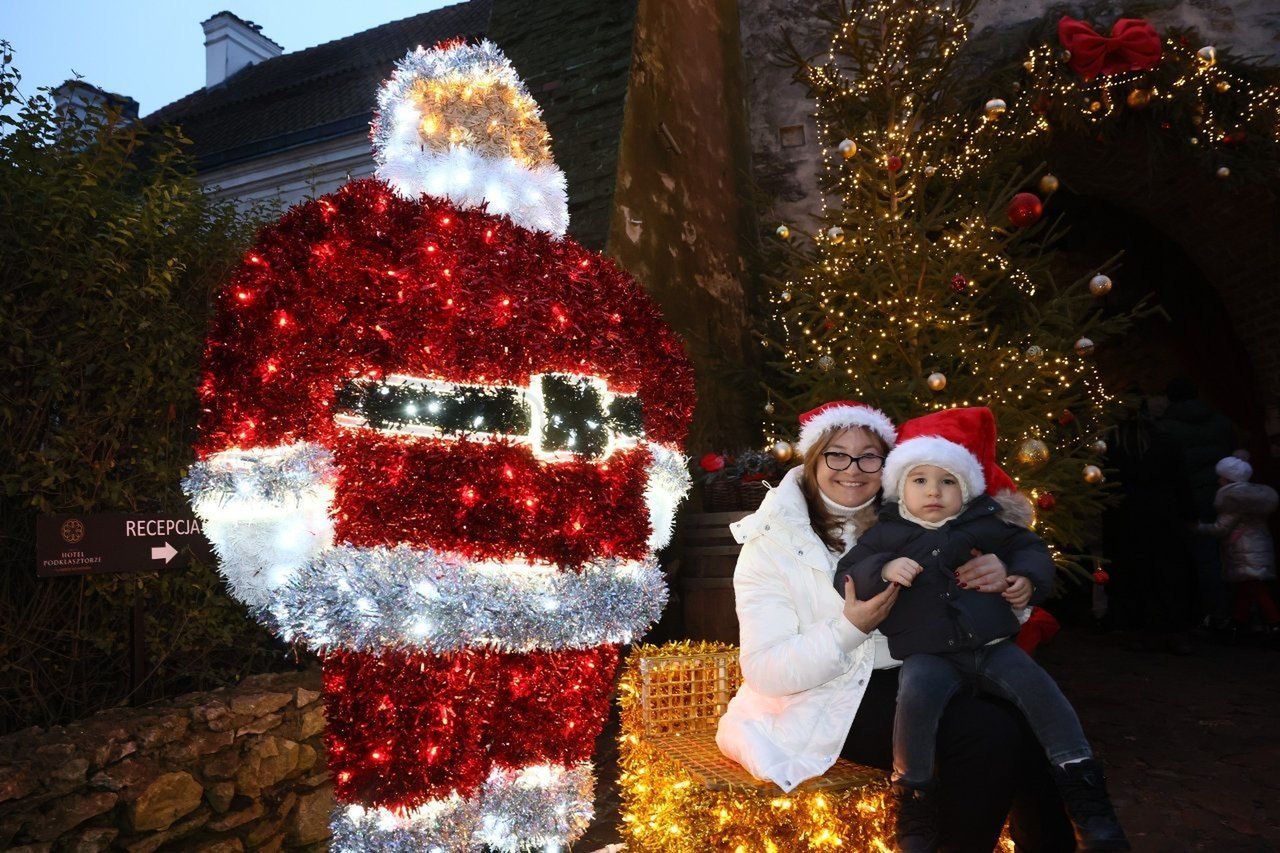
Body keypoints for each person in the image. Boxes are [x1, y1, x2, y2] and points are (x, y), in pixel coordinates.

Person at [716, 401, 1073, 852]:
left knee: (1028, 714)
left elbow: (981, 613)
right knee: (987, 732)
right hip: (823, 698)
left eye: (869, 456)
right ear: (813, 460)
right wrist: (850, 627)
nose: (853, 469)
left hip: (923, 671)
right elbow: (766, 671)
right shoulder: (771, 544)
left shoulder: (924, 519)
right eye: (837, 454)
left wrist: (1001, 582)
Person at [838, 407, 1127, 852]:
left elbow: (1028, 548)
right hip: (927, 653)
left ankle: (1087, 797)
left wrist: (1024, 578)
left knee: (1044, 696)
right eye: (920, 480)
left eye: (947, 481)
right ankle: (913, 801)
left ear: (966, 490)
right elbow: (848, 571)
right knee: (914, 704)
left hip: (990, 645)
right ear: (899, 488)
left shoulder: (984, 525)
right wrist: (884, 567)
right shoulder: (886, 534)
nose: (933, 492)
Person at [1156, 377, 1237, 626]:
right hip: (1218, 496)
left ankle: (1188, 614)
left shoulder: (1164, 429)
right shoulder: (1220, 423)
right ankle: (1220, 612)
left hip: (1181, 500)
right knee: (1215, 558)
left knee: (1178, 560)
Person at [1195, 454, 1279, 634]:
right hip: (1258, 547)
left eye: (1221, 477)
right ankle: (1239, 622)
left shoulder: (1234, 502)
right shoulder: (1254, 501)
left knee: (1254, 589)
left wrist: (1197, 527)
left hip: (1243, 550)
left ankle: (1274, 622)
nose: (1218, 481)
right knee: (1247, 588)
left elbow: (1221, 528)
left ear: (1228, 479)